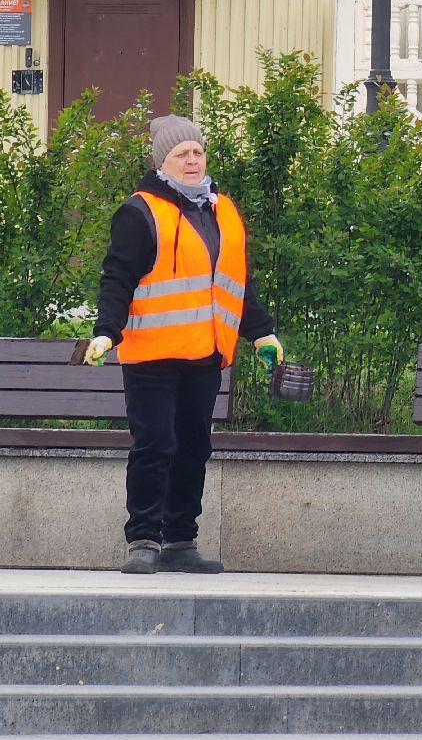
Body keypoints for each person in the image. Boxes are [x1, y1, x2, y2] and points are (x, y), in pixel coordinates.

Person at [87, 115, 285, 574]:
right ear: (162, 162)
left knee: (194, 446)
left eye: (197, 151)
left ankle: (180, 541)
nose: (192, 160)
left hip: (205, 352)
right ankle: (143, 540)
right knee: (156, 444)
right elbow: (117, 277)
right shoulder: (139, 212)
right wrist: (106, 331)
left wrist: (261, 332)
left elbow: (236, 281)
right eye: (182, 153)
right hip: (152, 354)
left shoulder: (223, 211)